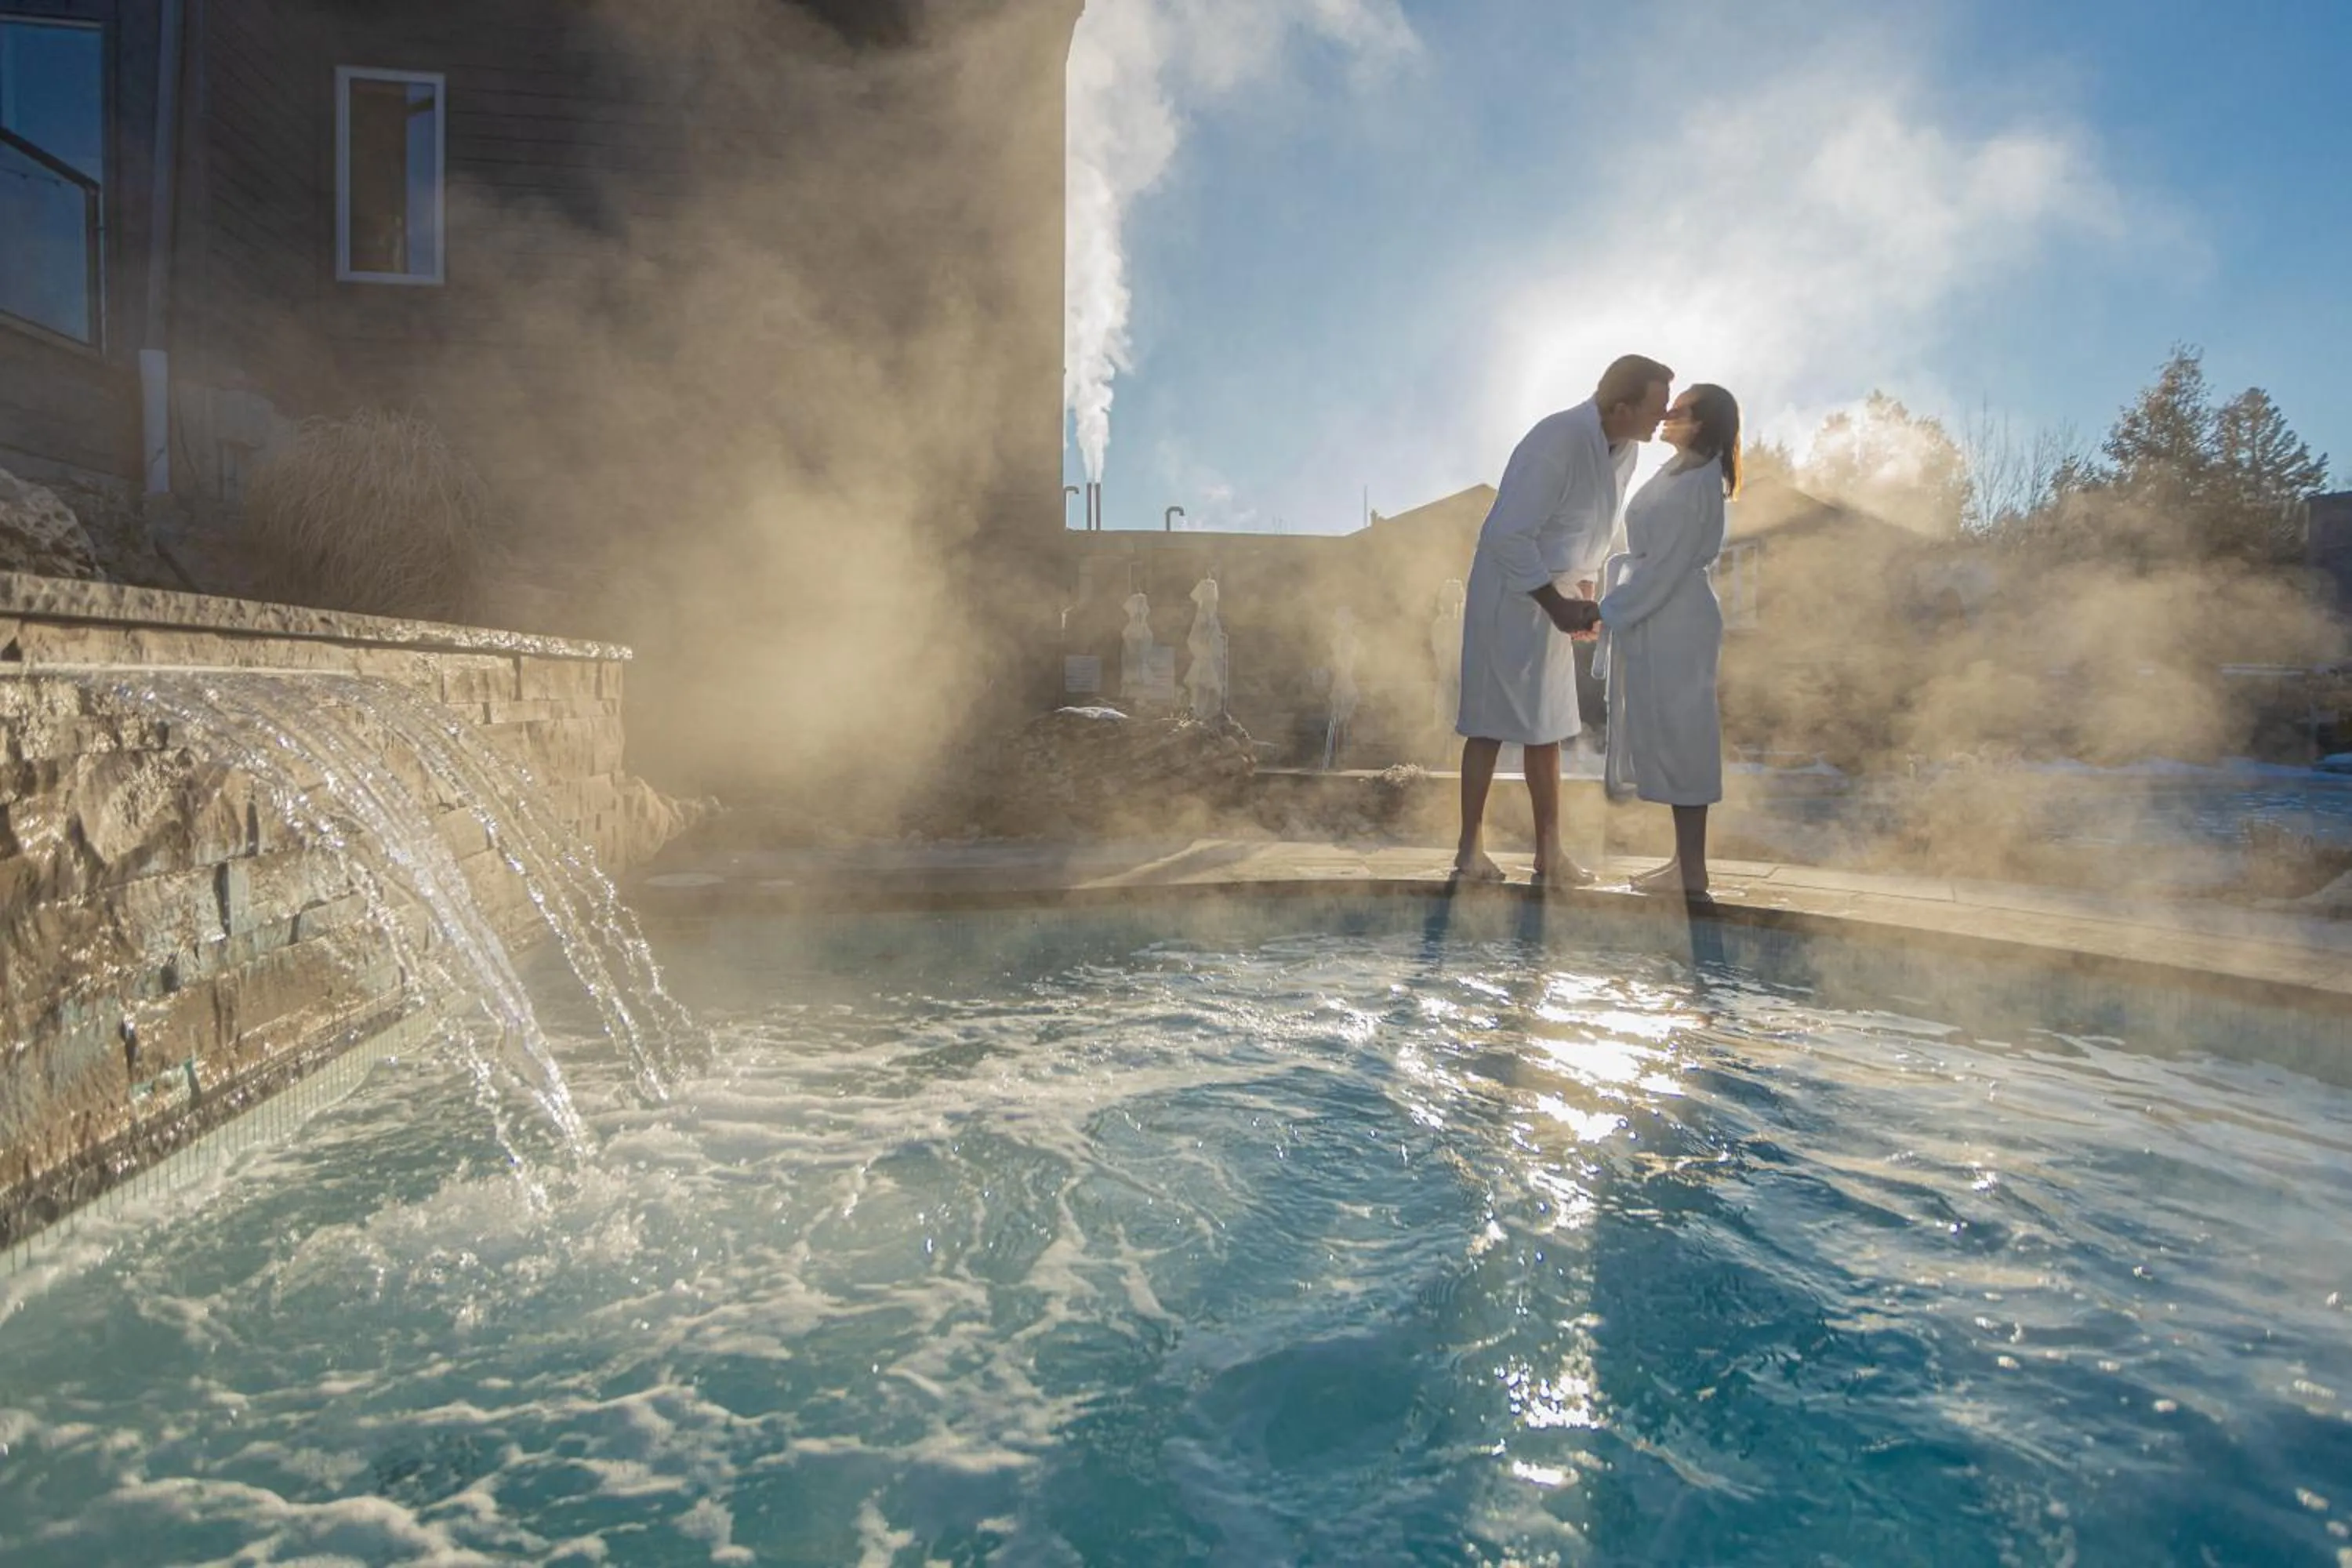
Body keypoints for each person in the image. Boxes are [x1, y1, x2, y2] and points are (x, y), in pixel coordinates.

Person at [1452, 354, 1673, 888]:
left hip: (1559, 590)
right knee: (1487, 723)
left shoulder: (1623, 451)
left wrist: (1586, 588)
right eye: (1655, 407)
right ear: (1621, 407)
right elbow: (1505, 534)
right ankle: (1469, 852)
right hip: (1510, 593)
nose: (1662, 419)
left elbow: (1597, 524)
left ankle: (1550, 857)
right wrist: (1554, 603)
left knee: (1546, 725)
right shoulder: (1558, 441)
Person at [1596, 383, 1739, 899]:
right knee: (1671, 732)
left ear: (1698, 423)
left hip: (1678, 615)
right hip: (1662, 611)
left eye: (1676, 411)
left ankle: (1693, 871)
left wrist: (1609, 610)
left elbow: (1670, 564)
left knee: (1687, 735)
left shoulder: (1698, 482)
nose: (1665, 415)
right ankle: (1682, 864)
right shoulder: (1677, 472)